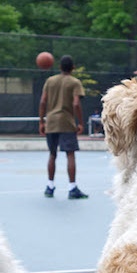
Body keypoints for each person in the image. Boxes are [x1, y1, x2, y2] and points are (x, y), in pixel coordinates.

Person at [39, 55, 88, 199]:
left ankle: (50, 186)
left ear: (60, 67)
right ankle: (72, 188)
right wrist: (80, 122)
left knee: (52, 154)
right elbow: (75, 103)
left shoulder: (50, 81)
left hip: (51, 122)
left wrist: (41, 122)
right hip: (66, 122)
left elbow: (42, 102)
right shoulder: (75, 82)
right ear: (73, 68)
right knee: (70, 154)